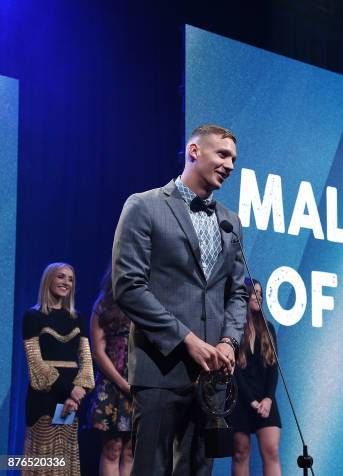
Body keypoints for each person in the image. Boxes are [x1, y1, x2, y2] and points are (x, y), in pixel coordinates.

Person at [112, 124, 248, 476]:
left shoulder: (230, 222)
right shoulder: (144, 205)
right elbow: (128, 286)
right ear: (193, 151)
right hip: (160, 368)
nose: (230, 165)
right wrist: (187, 340)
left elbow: (237, 291)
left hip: (212, 377)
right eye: (222, 154)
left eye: (233, 158)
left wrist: (229, 341)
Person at [22, 262, 95, 475]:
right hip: (44, 396)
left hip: (71, 399)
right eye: (61, 277)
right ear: (49, 279)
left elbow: (86, 359)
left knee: (63, 454)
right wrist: (68, 390)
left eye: (70, 279)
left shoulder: (76, 317)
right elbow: (35, 361)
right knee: (44, 456)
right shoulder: (33, 316)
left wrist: (78, 391)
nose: (66, 283)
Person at [230, 278, 282, 476]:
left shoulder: (268, 328)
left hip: (266, 400)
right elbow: (235, 371)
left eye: (261, 293)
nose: (259, 297)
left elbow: (273, 368)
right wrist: (251, 401)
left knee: (272, 452)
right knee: (240, 453)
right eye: (254, 292)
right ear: (243, 295)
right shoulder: (233, 328)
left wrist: (268, 398)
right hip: (240, 400)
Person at [88, 266, 133, 475]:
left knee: (131, 451)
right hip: (112, 384)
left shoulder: (145, 302)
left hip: (140, 383)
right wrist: (123, 384)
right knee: (113, 448)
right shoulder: (103, 304)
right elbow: (97, 352)